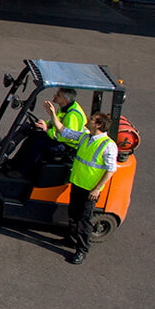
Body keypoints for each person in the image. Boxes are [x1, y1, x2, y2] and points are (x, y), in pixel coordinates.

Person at [37, 102, 117, 265]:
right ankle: (71, 239)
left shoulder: (108, 146)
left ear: (99, 125)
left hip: (90, 190)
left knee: (83, 220)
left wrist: (96, 189)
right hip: (78, 183)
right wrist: (52, 114)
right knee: (73, 215)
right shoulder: (85, 136)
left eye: (92, 119)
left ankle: (82, 250)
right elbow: (63, 131)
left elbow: (110, 170)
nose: (88, 120)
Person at [11, 88, 87, 176]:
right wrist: (44, 124)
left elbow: (67, 137)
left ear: (65, 100)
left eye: (58, 95)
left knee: (37, 143)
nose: (55, 95)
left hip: (67, 146)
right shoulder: (64, 108)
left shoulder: (72, 115)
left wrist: (47, 130)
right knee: (32, 134)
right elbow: (56, 122)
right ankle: (14, 163)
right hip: (60, 138)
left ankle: (22, 171)